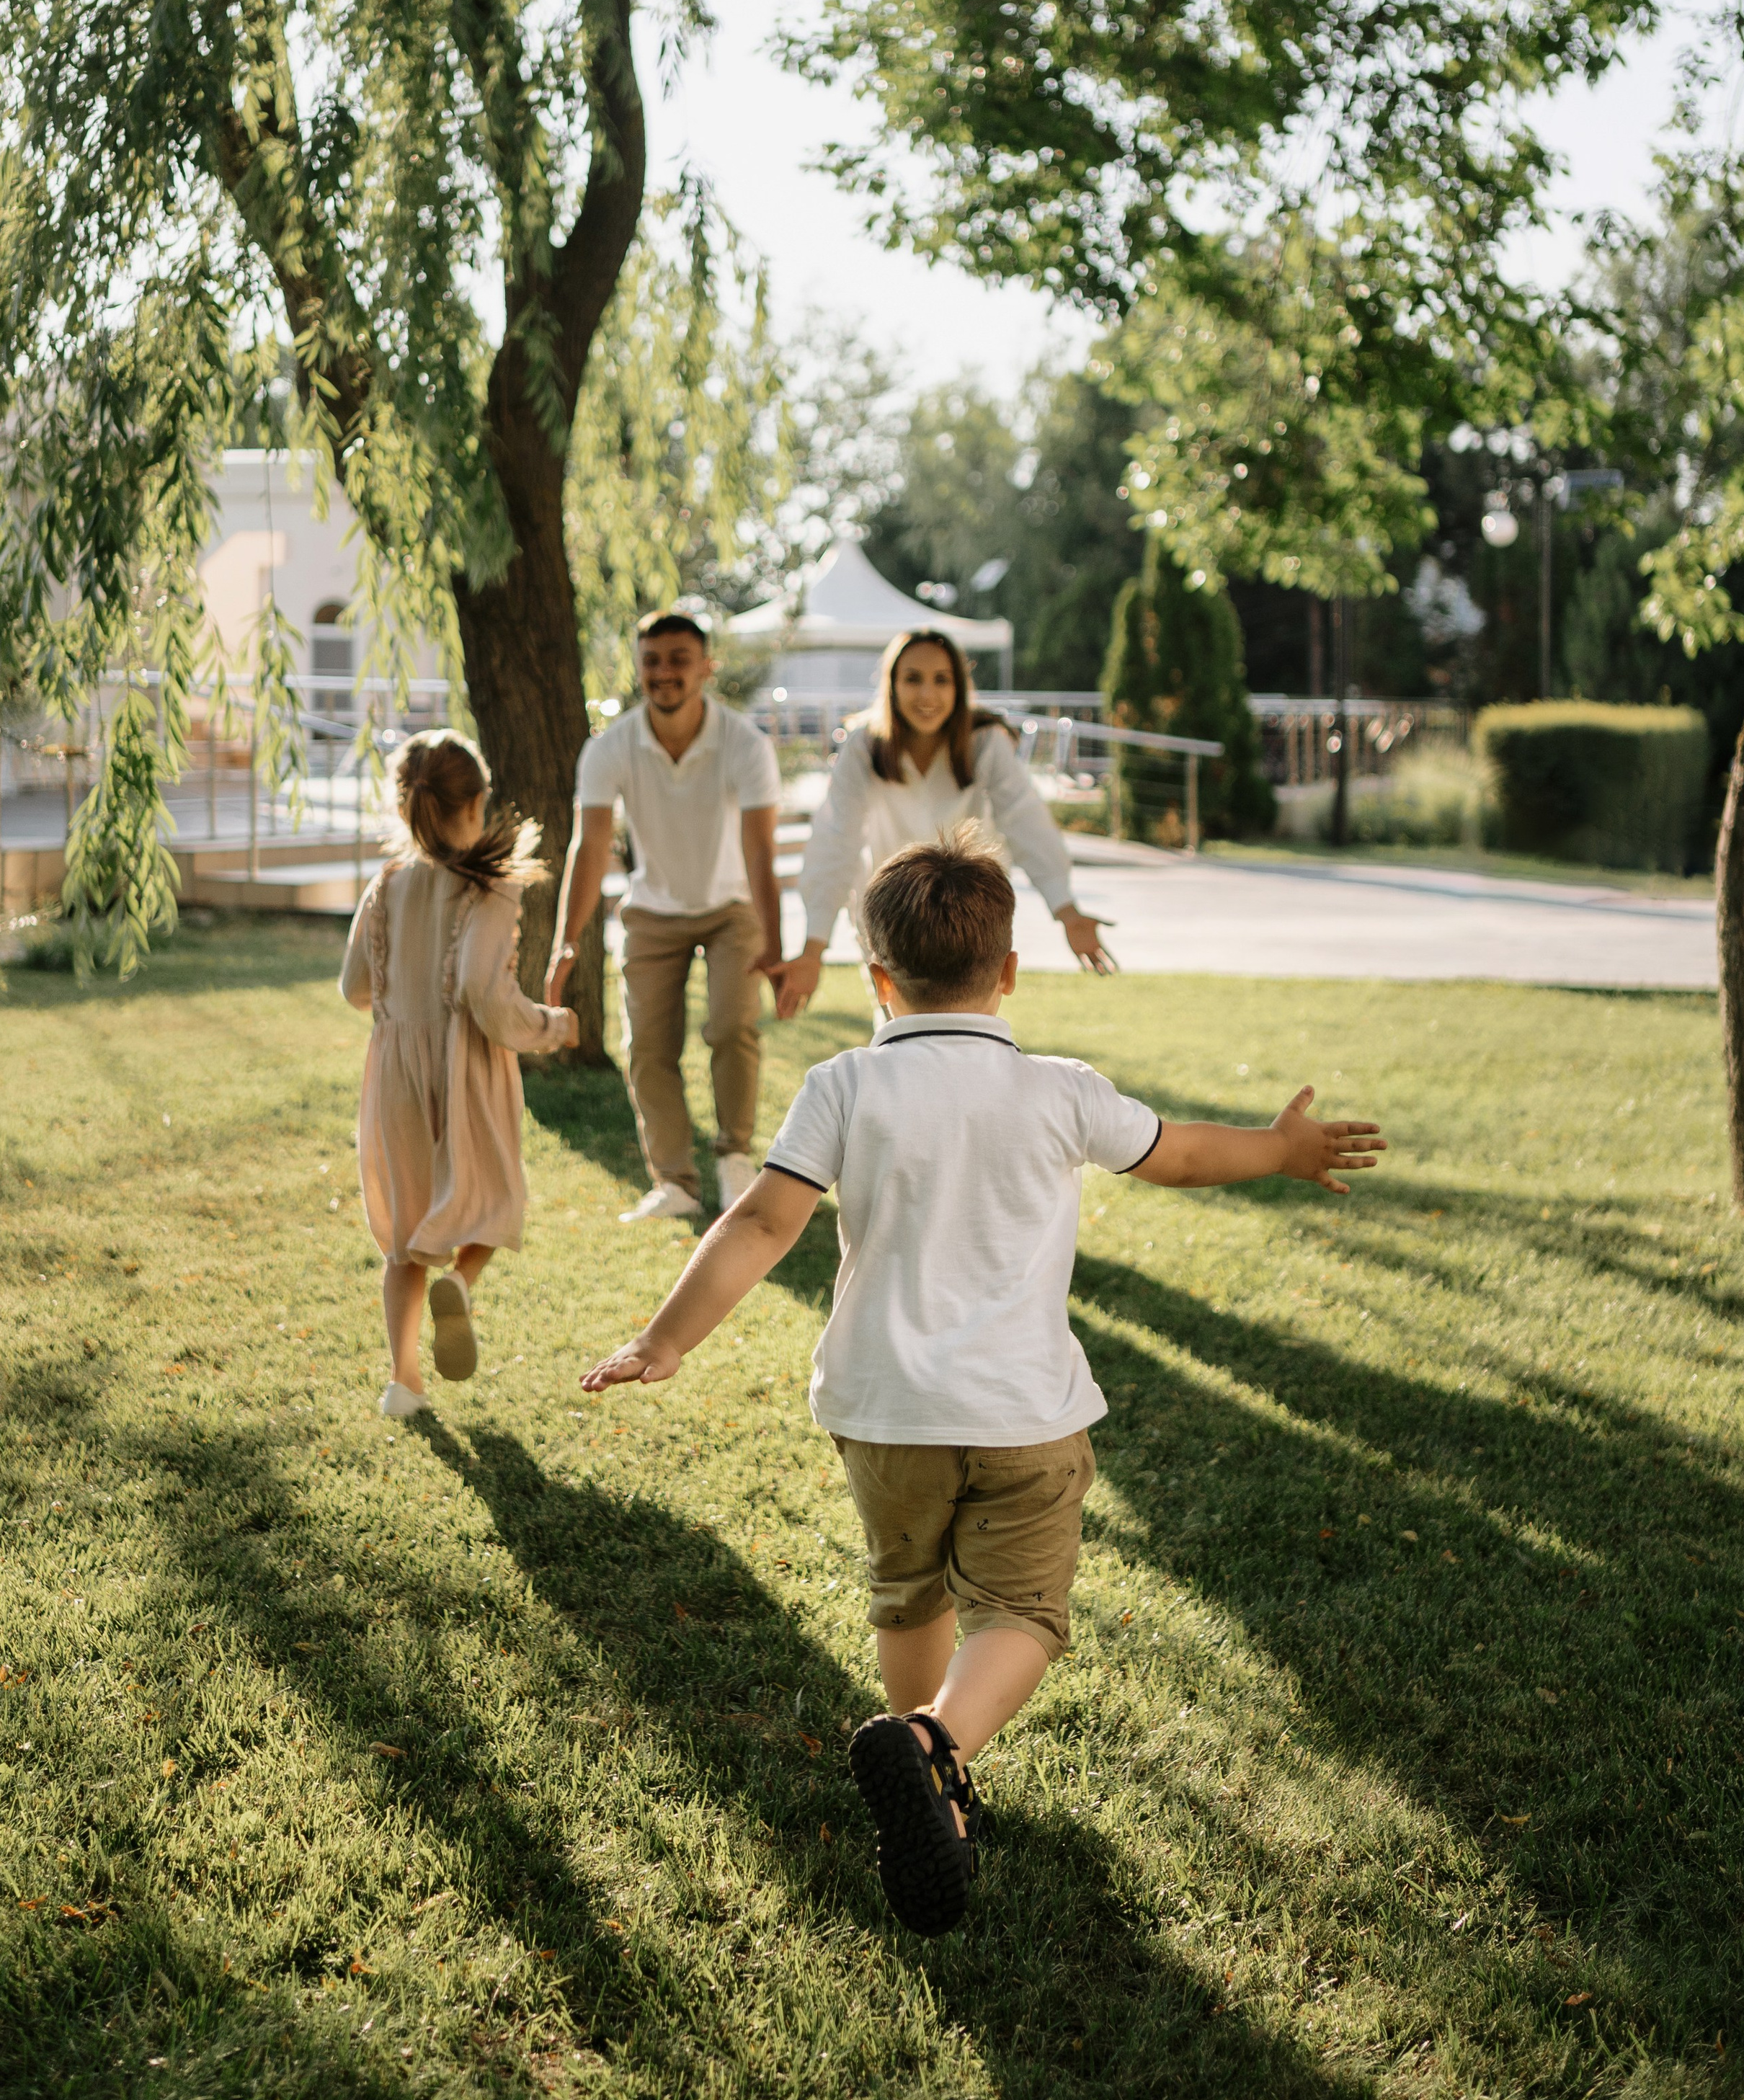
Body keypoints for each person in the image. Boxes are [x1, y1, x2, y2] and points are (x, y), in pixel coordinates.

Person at [579, 827, 1386, 1936]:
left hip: (886, 1416)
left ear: (879, 979)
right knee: (1021, 1612)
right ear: (1008, 971)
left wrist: (666, 1340)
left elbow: (763, 1219)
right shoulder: (1062, 1090)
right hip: (1023, 1416)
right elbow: (1188, 1155)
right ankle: (932, 1747)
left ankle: (926, 1766)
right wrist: (1285, 1149)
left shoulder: (845, 1083)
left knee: (911, 1590)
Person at [341, 731, 577, 1420]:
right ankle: (465, 1282)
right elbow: (482, 992)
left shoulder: (385, 884)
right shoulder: (490, 886)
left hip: (395, 1070)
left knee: (406, 1229)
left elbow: (354, 986)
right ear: (474, 804)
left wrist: (398, 1010)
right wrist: (553, 1026)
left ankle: (402, 1382)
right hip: (466, 1064)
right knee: (493, 1193)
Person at [550, 610, 785, 1224]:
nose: (664, 672)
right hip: (653, 909)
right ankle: (674, 1182)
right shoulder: (612, 747)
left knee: (732, 1028)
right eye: (652, 660)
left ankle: (736, 1158)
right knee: (648, 1048)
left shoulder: (744, 743)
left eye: (680, 659)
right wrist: (566, 943)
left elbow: (762, 849)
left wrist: (777, 946)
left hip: (733, 906)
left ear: (707, 667)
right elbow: (591, 845)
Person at [775, 627, 1113, 1020]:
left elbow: (1025, 820)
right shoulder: (865, 745)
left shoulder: (985, 742)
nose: (927, 695)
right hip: (890, 922)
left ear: (960, 686)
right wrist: (813, 949)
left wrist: (1067, 910)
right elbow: (837, 839)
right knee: (899, 1048)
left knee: (967, 1043)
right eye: (912, 679)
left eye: (942, 680)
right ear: (891, 685)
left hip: (966, 921)